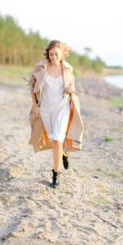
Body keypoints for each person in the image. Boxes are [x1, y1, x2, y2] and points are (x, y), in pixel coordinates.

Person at [27, 40, 84, 188]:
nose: (53, 57)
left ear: (62, 54)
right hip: (45, 109)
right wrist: (35, 106)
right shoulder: (41, 68)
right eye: (51, 54)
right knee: (54, 140)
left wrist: (71, 91)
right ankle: (64, 154)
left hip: (61, 108)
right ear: (48, 54)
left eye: (56, 54)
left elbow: (72, 88)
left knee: (58, 139)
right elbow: (32, 87)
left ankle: (55, 174)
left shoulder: (67, 70)